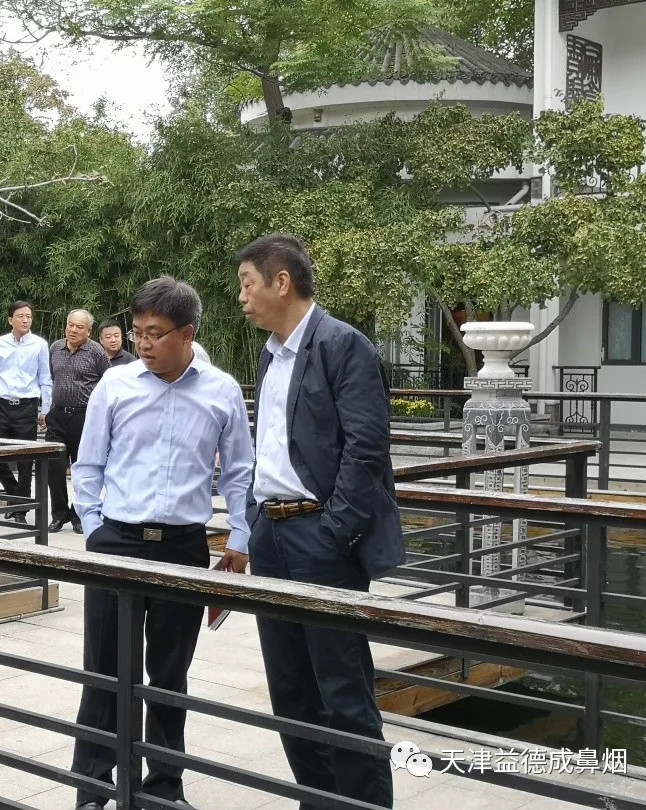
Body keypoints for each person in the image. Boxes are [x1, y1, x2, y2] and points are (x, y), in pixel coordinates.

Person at [232, 233, 405, 809]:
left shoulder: (342, 344)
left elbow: (366, 449)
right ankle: (319, 799)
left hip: (319, 537)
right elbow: (273, 444)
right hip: (272, 533)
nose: (242, 297)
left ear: (281, 282)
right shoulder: (271, 353)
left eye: (248, 284)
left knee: (343, 691)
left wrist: (334, 533)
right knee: (291, 691)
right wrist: (255, 518)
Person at [69, 277, 253, 810]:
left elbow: (239, 472)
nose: (143, 344)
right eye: (138, 332)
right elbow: (88, 463)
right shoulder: (116, 385)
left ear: (187, 333)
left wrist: (240, 536)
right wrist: (94, 527)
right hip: (117, 542)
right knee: (104, 669)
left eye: (155, 333)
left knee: (169, 674)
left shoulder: (221, 391)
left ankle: (164, 789)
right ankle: (93, 788)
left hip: (183, 547)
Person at [0, 301, 52, 523]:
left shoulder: (39, 345)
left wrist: (46, 408)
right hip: (3, 406)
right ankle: (15, 496)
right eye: (20, 316)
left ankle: (20, 511)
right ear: (10, 319)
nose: (25, 320)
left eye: (29, 316)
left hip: (27, 407)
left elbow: (45, 378)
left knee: (24, 461)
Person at [46, 309, 110, 533]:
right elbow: (51, 378)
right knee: (54, 466)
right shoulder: (55, 348)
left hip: (85, 417)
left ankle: (77, 515)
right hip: (57, 415)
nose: (73, 330)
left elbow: (107, 382)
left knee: (81, 469)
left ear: (89, 331)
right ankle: (58, 514)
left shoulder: (96, 352)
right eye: (70, 325)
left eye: (79, 327)